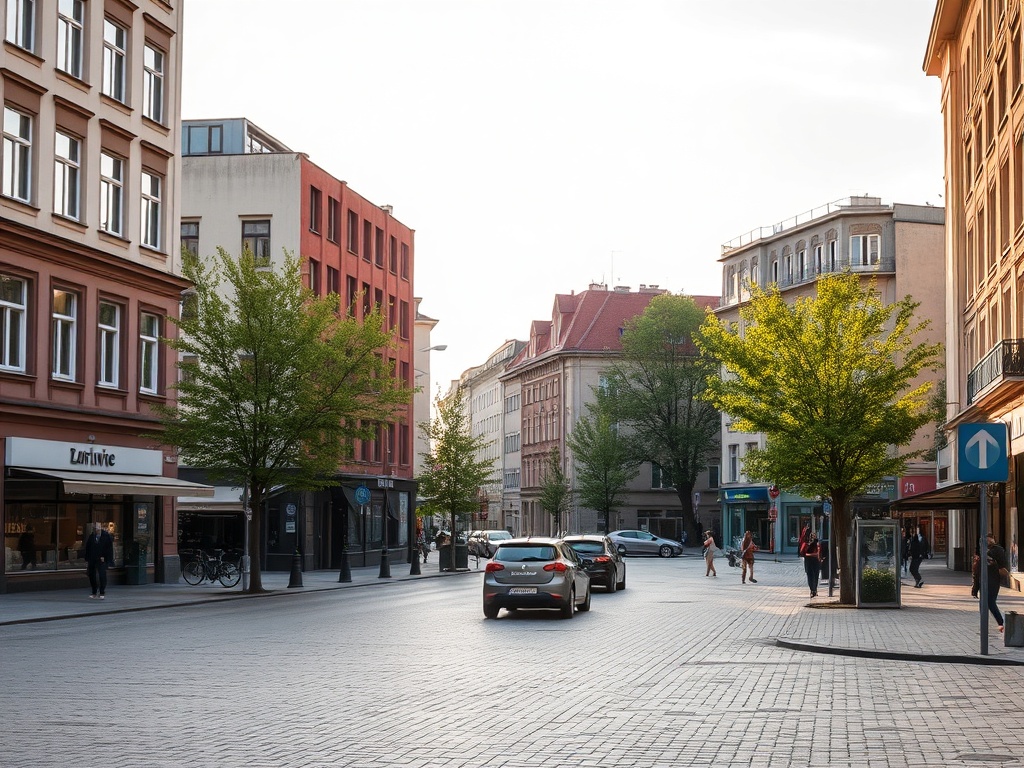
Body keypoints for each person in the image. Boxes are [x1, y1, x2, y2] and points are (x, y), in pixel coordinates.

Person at [982, 532, 1009, 633]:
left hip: (993, 579)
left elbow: (1002, 565)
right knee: (986, 602)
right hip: (984, 580)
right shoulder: (983, 550)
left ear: (993, 539)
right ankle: (996, 622)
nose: (987, 541)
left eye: (989, 539)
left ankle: (1001, 621)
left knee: (990, 601)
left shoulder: (997, 549)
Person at [84, 522, 114, 599]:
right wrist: (87, 559)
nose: (96, 530)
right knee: (92, 575)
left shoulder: (106, 536)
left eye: (97, 528)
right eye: (95, 528)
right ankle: (94, 591)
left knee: (102, 575)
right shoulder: (92, 536)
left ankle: (102, 592)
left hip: (102, 559)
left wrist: (106, 558)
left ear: (100, 528)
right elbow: (88, 548)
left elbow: (109, 549)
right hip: (92, 558)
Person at [801, 530, 822, 598]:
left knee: (811, 575)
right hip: (813, 560)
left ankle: (813, 590)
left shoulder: (807, 543)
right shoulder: (816, 544)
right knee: (814, 575)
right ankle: (814, 590)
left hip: (810, 560)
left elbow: (802, 552)